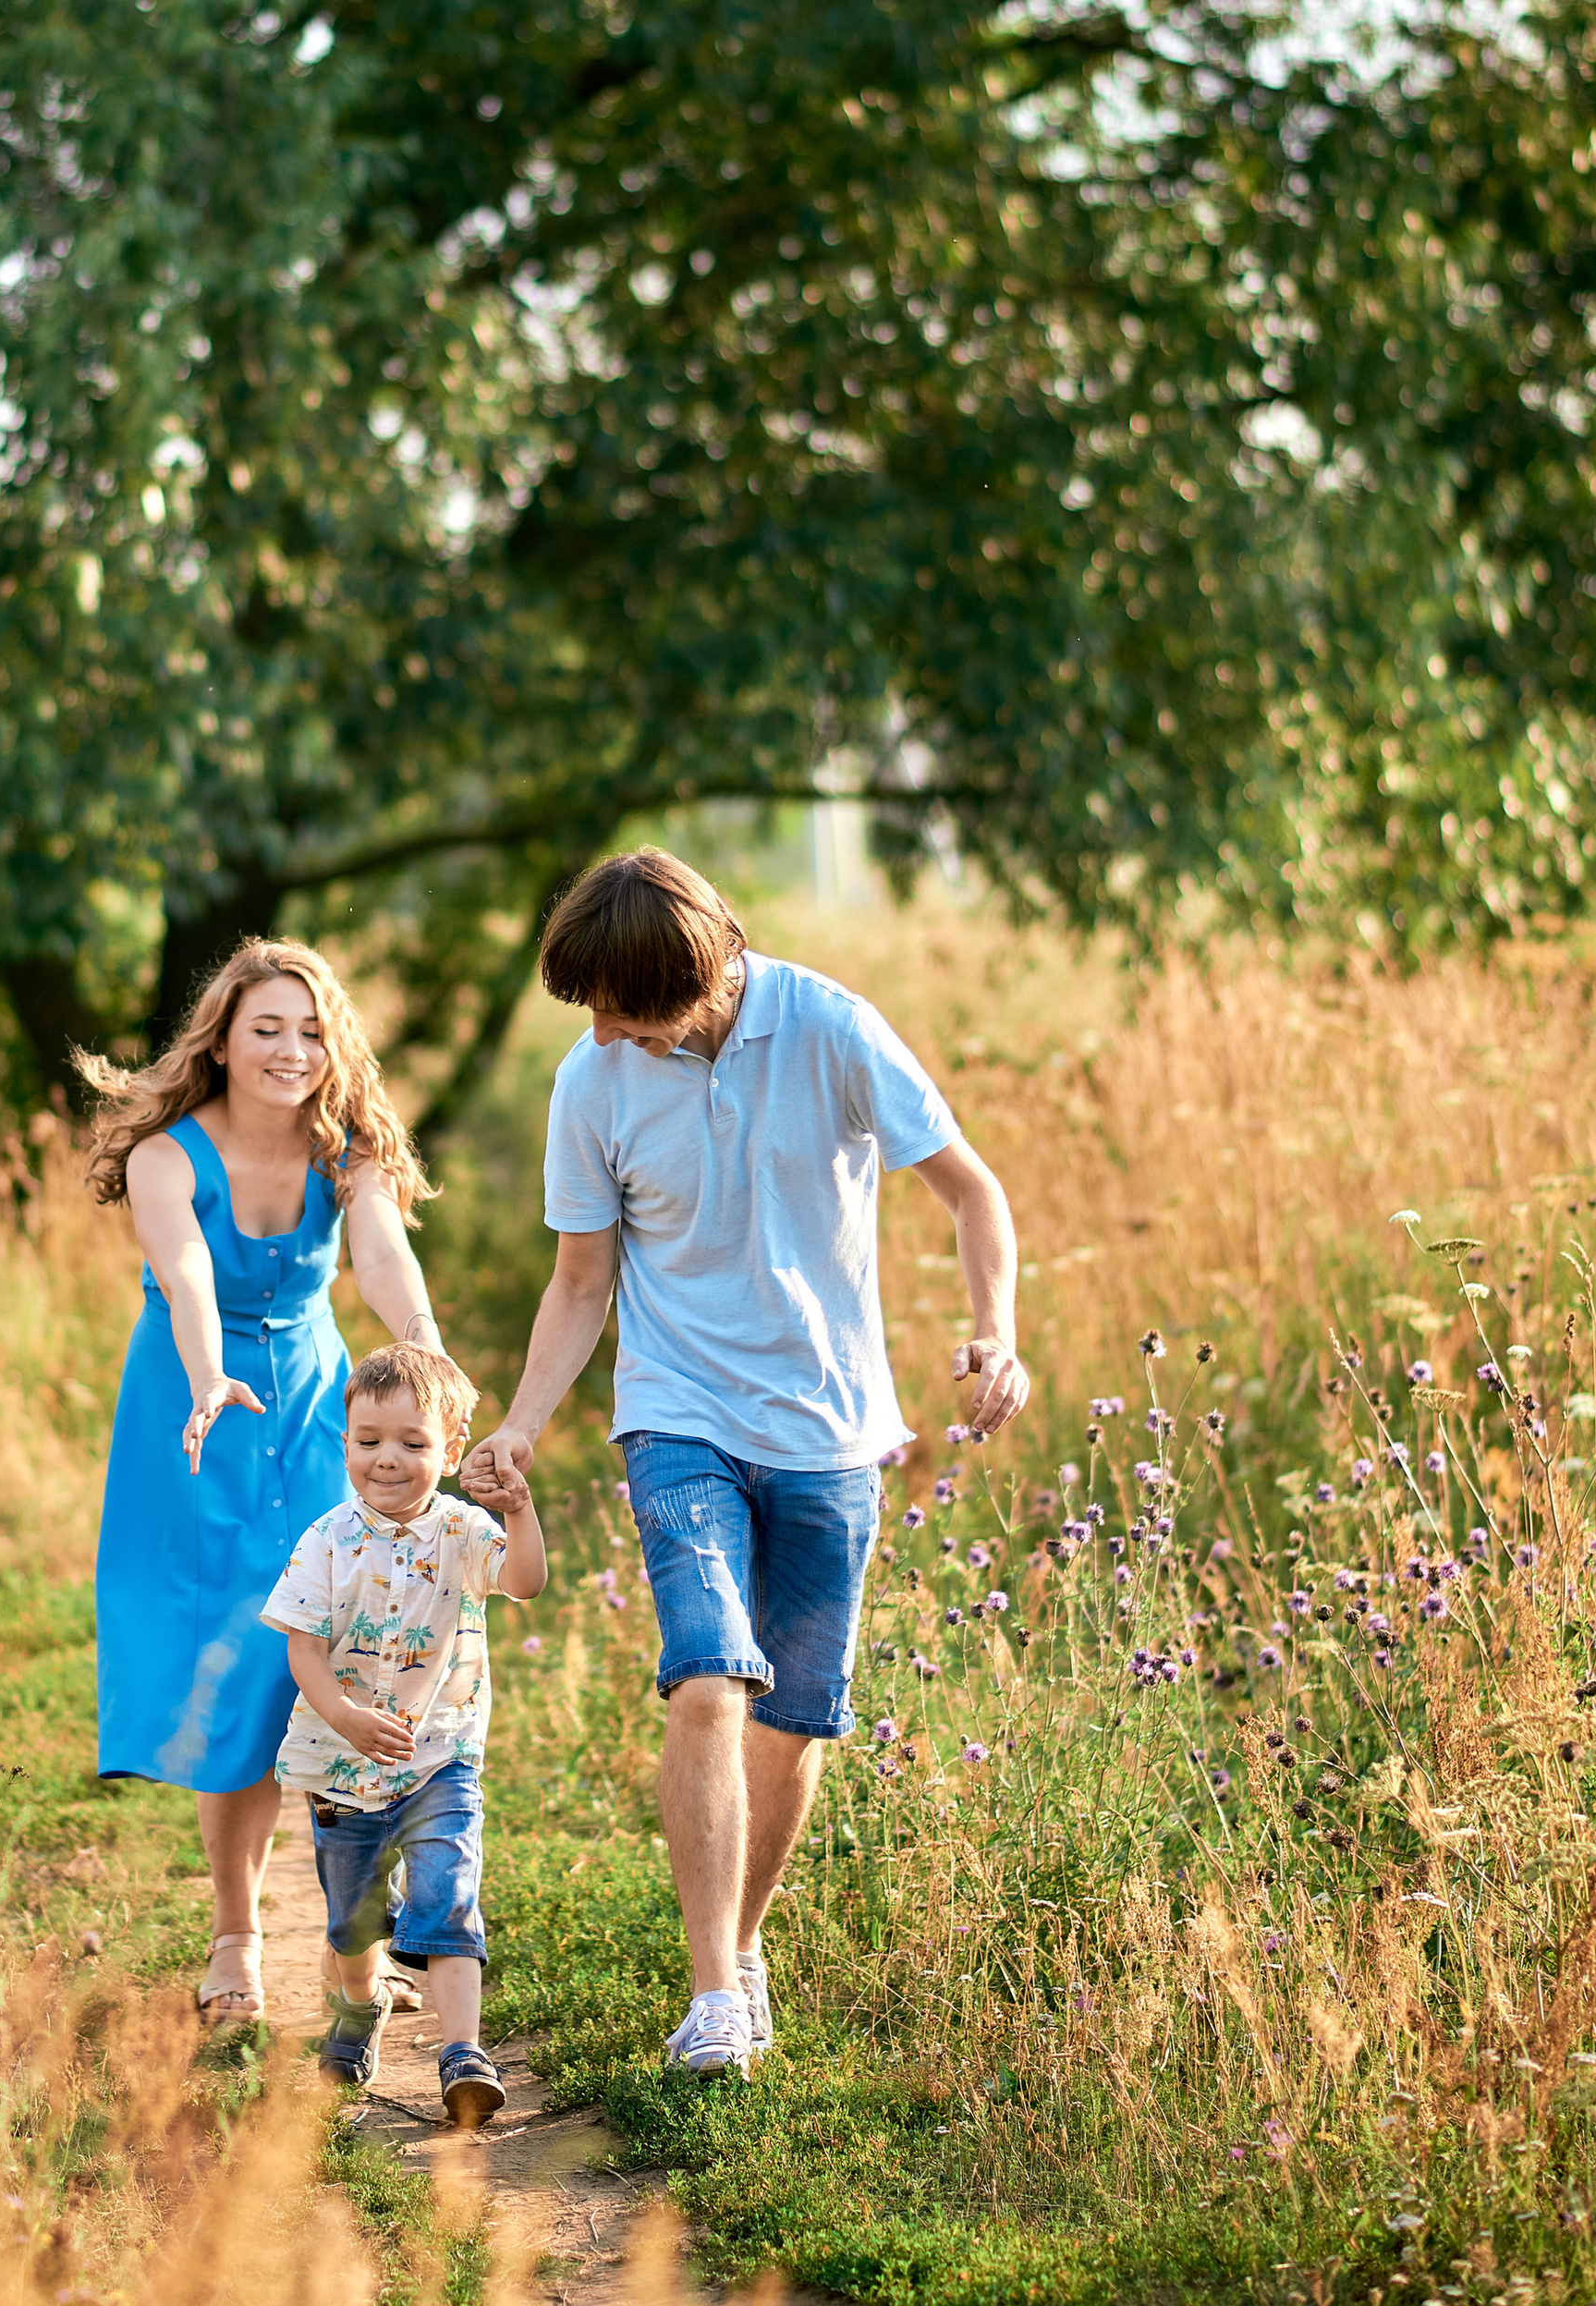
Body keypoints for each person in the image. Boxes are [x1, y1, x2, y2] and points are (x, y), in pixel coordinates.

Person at [463, 847, 1029, 2081]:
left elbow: (972, 1191)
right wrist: (521, 1419)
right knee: (711, 1679)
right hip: (678, 1412)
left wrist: (1000, 1333)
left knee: (792, 1722)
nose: (601, 1030)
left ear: (706, 977)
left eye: (624, 1008)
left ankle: (746, 1943)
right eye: (592, 1009)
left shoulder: (830, 1027)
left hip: (831, 1428)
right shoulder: (593, 1079)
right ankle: (714, 1992)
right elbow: (580, 1277)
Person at [83, 941, 444, 2028]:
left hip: (318, 1413)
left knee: (350, 1658)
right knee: (240, 1667)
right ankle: (236, 1938)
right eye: (266, 1029)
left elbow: (376, 1253)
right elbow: (185, 1272)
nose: (291, 1050)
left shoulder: (350, 1149)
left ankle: (356, 1941)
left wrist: (422, 1349)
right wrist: (207, 1374)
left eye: (310, 1030)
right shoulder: (166, 1155)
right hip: (194, 1422)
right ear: (224, 1042)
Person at [264, 1339, 547, 2127]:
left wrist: (518, 1512)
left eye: (414, 1444)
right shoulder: (325, 1539)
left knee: (450, 1894)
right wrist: (345, 1716)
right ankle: (359, 2010)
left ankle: (464, 2052)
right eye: (369, 1442)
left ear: (452, 1450)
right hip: (340, 1761)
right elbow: (304, 1648)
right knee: (353, 1921)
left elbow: (524, 1582)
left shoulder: (465, 1532)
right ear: (346, 1442)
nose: (387, 1460)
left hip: (440, 1755)